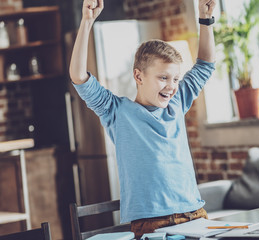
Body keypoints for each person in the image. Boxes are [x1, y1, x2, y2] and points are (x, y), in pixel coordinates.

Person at [69, 0, 216, 238]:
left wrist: (205, 20)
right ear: (138, 76)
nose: (172, 87)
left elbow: (205, 65)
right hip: (151, 226)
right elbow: (78, 76)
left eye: (176, 79)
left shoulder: (177, 104)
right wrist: (87, 21)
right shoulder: (116, 111)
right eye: (163, 78)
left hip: (195, 216)